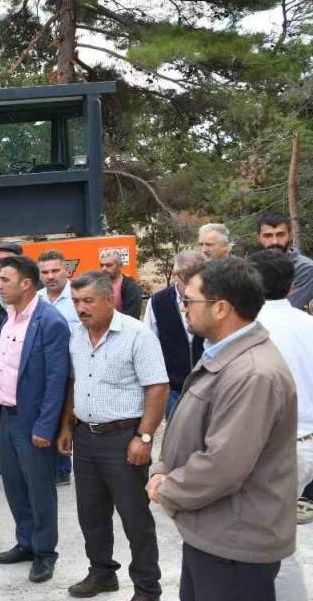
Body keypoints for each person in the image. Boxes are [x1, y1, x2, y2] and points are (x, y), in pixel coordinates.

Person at [149, 257, 298, 601]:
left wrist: (168, 488)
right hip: (215, 533)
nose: (183, 308)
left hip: (236, 543)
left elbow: (223, 465)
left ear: (221, 309)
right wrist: (163, 467)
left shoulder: (252, 373)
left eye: (190, 300)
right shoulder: (224, 352)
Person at [57, 271, 168, 600]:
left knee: (135, 517)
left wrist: (144, 438)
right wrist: (66, 426)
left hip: (124, 439)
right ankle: (102, 573)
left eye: (88, 301)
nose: (81, 308)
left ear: (109, 299)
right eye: (76, 301)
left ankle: (147, 587)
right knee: (90, 513)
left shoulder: (137, 335)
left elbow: (158, 387)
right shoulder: (76, 335)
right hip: (86, 437)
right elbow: (74, 383)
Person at [0, 255, 70, 584]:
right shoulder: (9, 317)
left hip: (34, 421)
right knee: (15, 486)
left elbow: (56, 381)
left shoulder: (50, 322)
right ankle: (26, 542)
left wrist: (45, 427)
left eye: (5, 279)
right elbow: (2, 364)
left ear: (26, 283)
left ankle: (45, 553)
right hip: (8, 416)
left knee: (40, 490)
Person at [247, 249, 313, 601]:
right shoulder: (307, 324)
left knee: (273, 541)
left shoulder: (253, 331)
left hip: (275, 447)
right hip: (306, 442)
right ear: (290, 287)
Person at [143, 251, 208, 422]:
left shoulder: (212, 298)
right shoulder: (158, 301)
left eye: (199, 274)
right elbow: (149, 343)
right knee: (177, 434)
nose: (193, 280)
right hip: (173, 387)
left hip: (208, 384)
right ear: (175, 275)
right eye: (188, 276)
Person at [37, 250, 79, 485]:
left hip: (73, 371)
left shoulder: (77, 299)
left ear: (66, 270)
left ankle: (63, 469)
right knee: (48, 416)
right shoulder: (37, 300)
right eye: (45, 272)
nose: (50, 276)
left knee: (67, 417)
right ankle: (49, 466)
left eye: (55, 270)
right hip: (45, 372)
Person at [256, 211, 313, 311]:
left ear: (290, 236)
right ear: (258, 238)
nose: (275, 241)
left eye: (280, 235)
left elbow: (287, 308)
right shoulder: (252, 267)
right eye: (268, 236)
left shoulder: (306, 269)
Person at [98, 250, 143, 319]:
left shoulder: (131, 287)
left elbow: (131, 316)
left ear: (120, 266)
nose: (104, 269)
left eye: (108, 265)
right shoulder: (97, 285)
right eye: (102, 265)